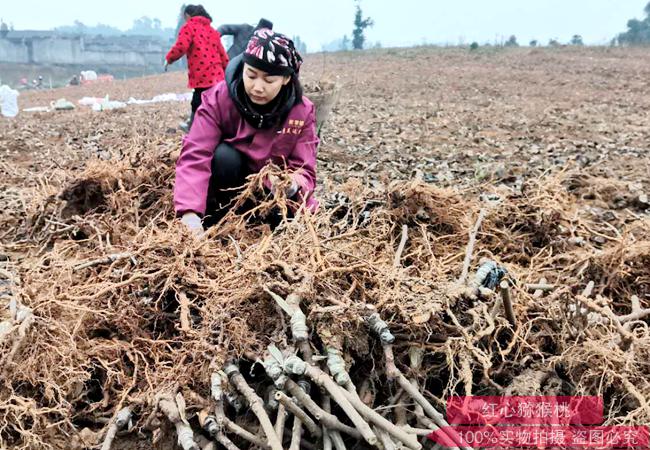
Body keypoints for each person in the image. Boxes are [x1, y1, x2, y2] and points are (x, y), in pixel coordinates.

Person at [174, 29, 318, 235]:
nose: (258, 87)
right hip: (227, 186)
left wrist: (292, 184)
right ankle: (218, 218)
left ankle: (263, 224)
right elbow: (196, 153)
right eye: (251, 75)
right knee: (225, 156)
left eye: (269, 81)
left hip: (270, 194)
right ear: (243, 67)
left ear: (286, 79)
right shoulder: (218, 99)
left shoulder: (301, 111)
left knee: (286, 220)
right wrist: (189, 212)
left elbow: (305, 169)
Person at [165, 4, 229, 130]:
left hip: (202, 73)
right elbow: (223, 54)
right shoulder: (212, 31)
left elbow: (181, 46)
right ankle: (219, 126)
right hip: (217, 73)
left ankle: (193, 126)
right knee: (217, 100)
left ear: (188, 15)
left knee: (198, 99)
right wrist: (228, 71)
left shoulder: (189, 27)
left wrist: (169, 58)